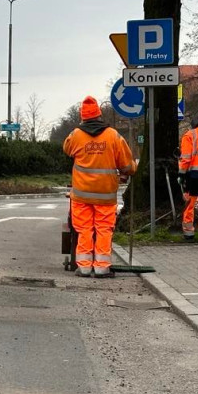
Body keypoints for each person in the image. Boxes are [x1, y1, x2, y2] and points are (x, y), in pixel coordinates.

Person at [63, 96, 137, 278]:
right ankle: (102, 267)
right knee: (104, 229)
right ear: (99, 115)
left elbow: (67, 149)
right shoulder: (113, 136)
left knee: (84, 230)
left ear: (83, 117)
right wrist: (128, 172)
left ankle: (85, 267)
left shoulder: (75, 135)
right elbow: (127, 165)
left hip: (81, 195)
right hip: (105, 194)